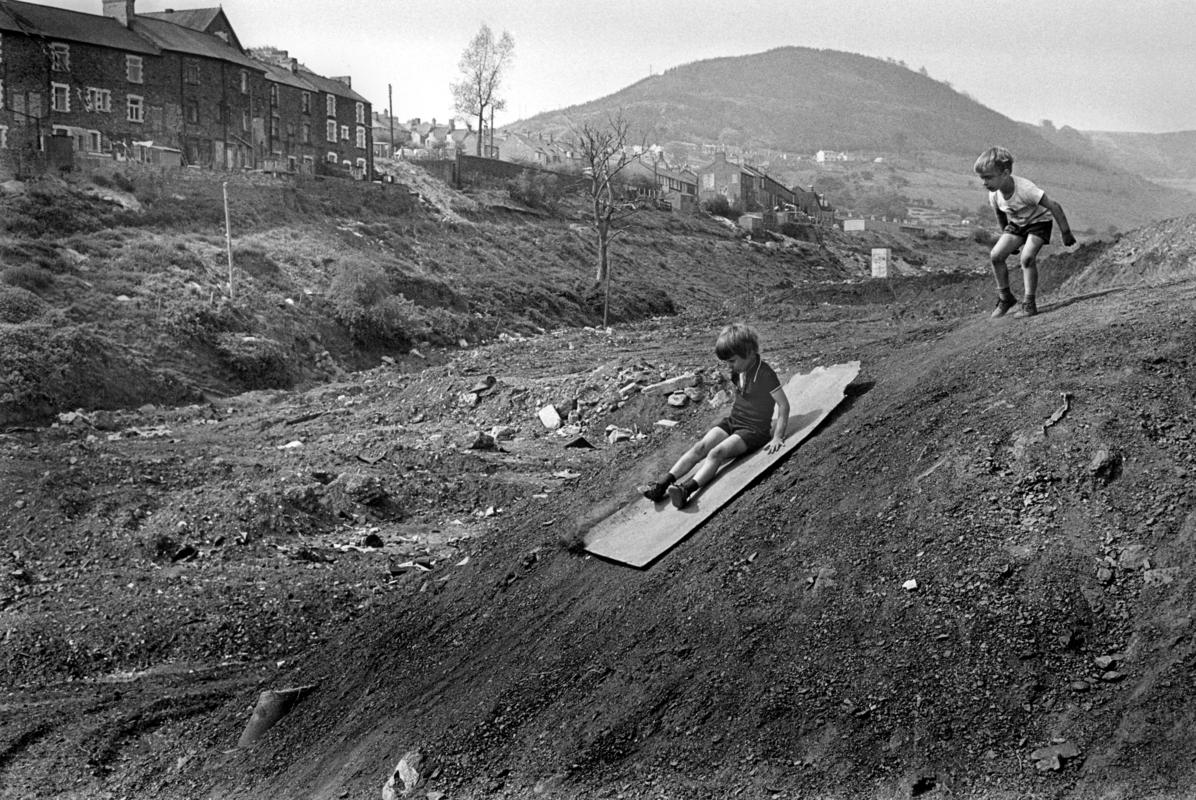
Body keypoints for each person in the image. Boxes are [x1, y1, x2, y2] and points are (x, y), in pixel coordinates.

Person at [641, 323, 790, 509]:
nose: (730, 366)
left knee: (716, 453)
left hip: (753, 430)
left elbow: (783, 405)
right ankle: (662, 484)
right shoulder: (739, 370)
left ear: (750, 352)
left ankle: (686, 489)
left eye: (732, 361)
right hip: (734, 421)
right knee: (700, 447)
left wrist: (777, 436)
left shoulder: (765, 374)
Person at [974, 146, 1076, 318]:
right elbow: (1000, 213)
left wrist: (1066, 233)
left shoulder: (1025, 189)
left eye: (988, 178)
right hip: (1017, 224)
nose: (985, 183)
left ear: (1005, 174)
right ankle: (1005, 298)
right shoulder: (995, 194)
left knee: (1027, 258)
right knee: (996, 256)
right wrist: (1005, 237)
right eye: (982, 178)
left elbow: (1054, 206)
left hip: (1039, 222)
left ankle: (1029, 303)